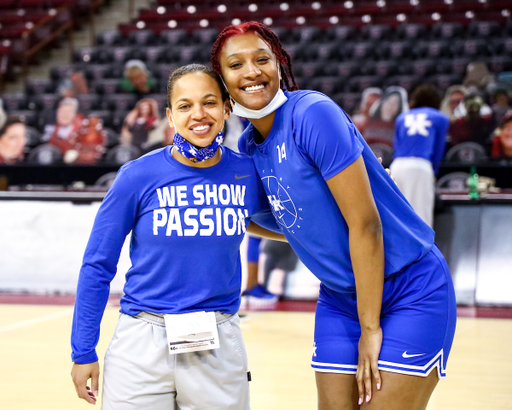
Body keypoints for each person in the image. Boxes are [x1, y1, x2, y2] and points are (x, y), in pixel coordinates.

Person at [211, 21, 456, 410]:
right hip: (340, 296)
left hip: (409, 287)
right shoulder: (248, 147)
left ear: (280, 65)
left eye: (262, 59)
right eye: (236, 64)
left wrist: (370, 326)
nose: (252, 72)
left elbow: (366, 224)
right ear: (222, 80)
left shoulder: (312, 113)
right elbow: (276, 221)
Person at [70, 63, 284, 409]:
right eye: (185, 106)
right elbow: (97, 265)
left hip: (216, 340)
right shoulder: (137, 176)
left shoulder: (246, 173)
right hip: (141, 342)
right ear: (170, 116)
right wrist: (83, 351)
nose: (198, 114)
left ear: (227, 108)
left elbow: (294, 225)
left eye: (210, 102)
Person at [390, 84, 449, 227]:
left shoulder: (401, 117)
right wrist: (434, 172)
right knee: (421, 217)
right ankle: (424, 250)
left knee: (397, 215)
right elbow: (438, 150)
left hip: (397, 165)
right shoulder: (440, 118)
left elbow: (396, 145)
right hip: (420, 166)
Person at [43, 98, 106, 164]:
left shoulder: (86, 130)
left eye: (68, 112)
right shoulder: (52, 130)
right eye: (61, 112)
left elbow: (92, 153)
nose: (64, 115)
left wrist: (77, 155)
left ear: (75, 114)